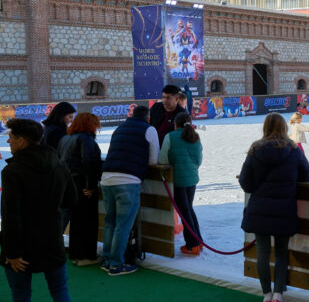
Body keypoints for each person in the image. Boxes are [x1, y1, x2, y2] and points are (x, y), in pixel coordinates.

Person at [1, 118, 76, 302]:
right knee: (60, 290)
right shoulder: (58, 163)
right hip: (52, 238)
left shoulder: (12, 171)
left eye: (12, 137)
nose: (8, 140)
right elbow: (71, 199)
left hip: (22, 244)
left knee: (21, 296)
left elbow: (11, 215)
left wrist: (11, 252)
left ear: (22, 141)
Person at [239, 113, 309, 302]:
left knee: (262, 252)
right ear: (284, 128)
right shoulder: (293, 149)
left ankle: (266, 297)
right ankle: (279, 296)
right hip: (284, 208)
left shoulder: (255, 149)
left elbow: (246, 182)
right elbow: (306, 175)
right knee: (281, 253)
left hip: (260, 208)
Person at [100, 105, 159, 275]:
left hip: (106, 178)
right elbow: (153, 158)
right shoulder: (149, 129)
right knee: (123, 225)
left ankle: (107, 259)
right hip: (128, 179)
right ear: (148, 117)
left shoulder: (119, 128)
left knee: (110, 222)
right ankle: (116, 264)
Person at [57, 112, 103, 266]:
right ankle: (87, 256)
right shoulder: (86, 139)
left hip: (68, 186)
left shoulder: (65, 139)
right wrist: (90, 186)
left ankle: (76, 254)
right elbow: (88, 162)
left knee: (76, 222)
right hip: (83, 185)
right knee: (88, 222)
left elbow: (60, 162)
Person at [159, 113, 203, 256]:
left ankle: (193, 244)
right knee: (188, 208)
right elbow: (199, 160)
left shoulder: (170, 137)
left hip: (177, 179)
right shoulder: (195, 137)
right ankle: (198, 241)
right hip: (192, 179)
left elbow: (163, 159)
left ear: (175, 124)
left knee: (184, 211)